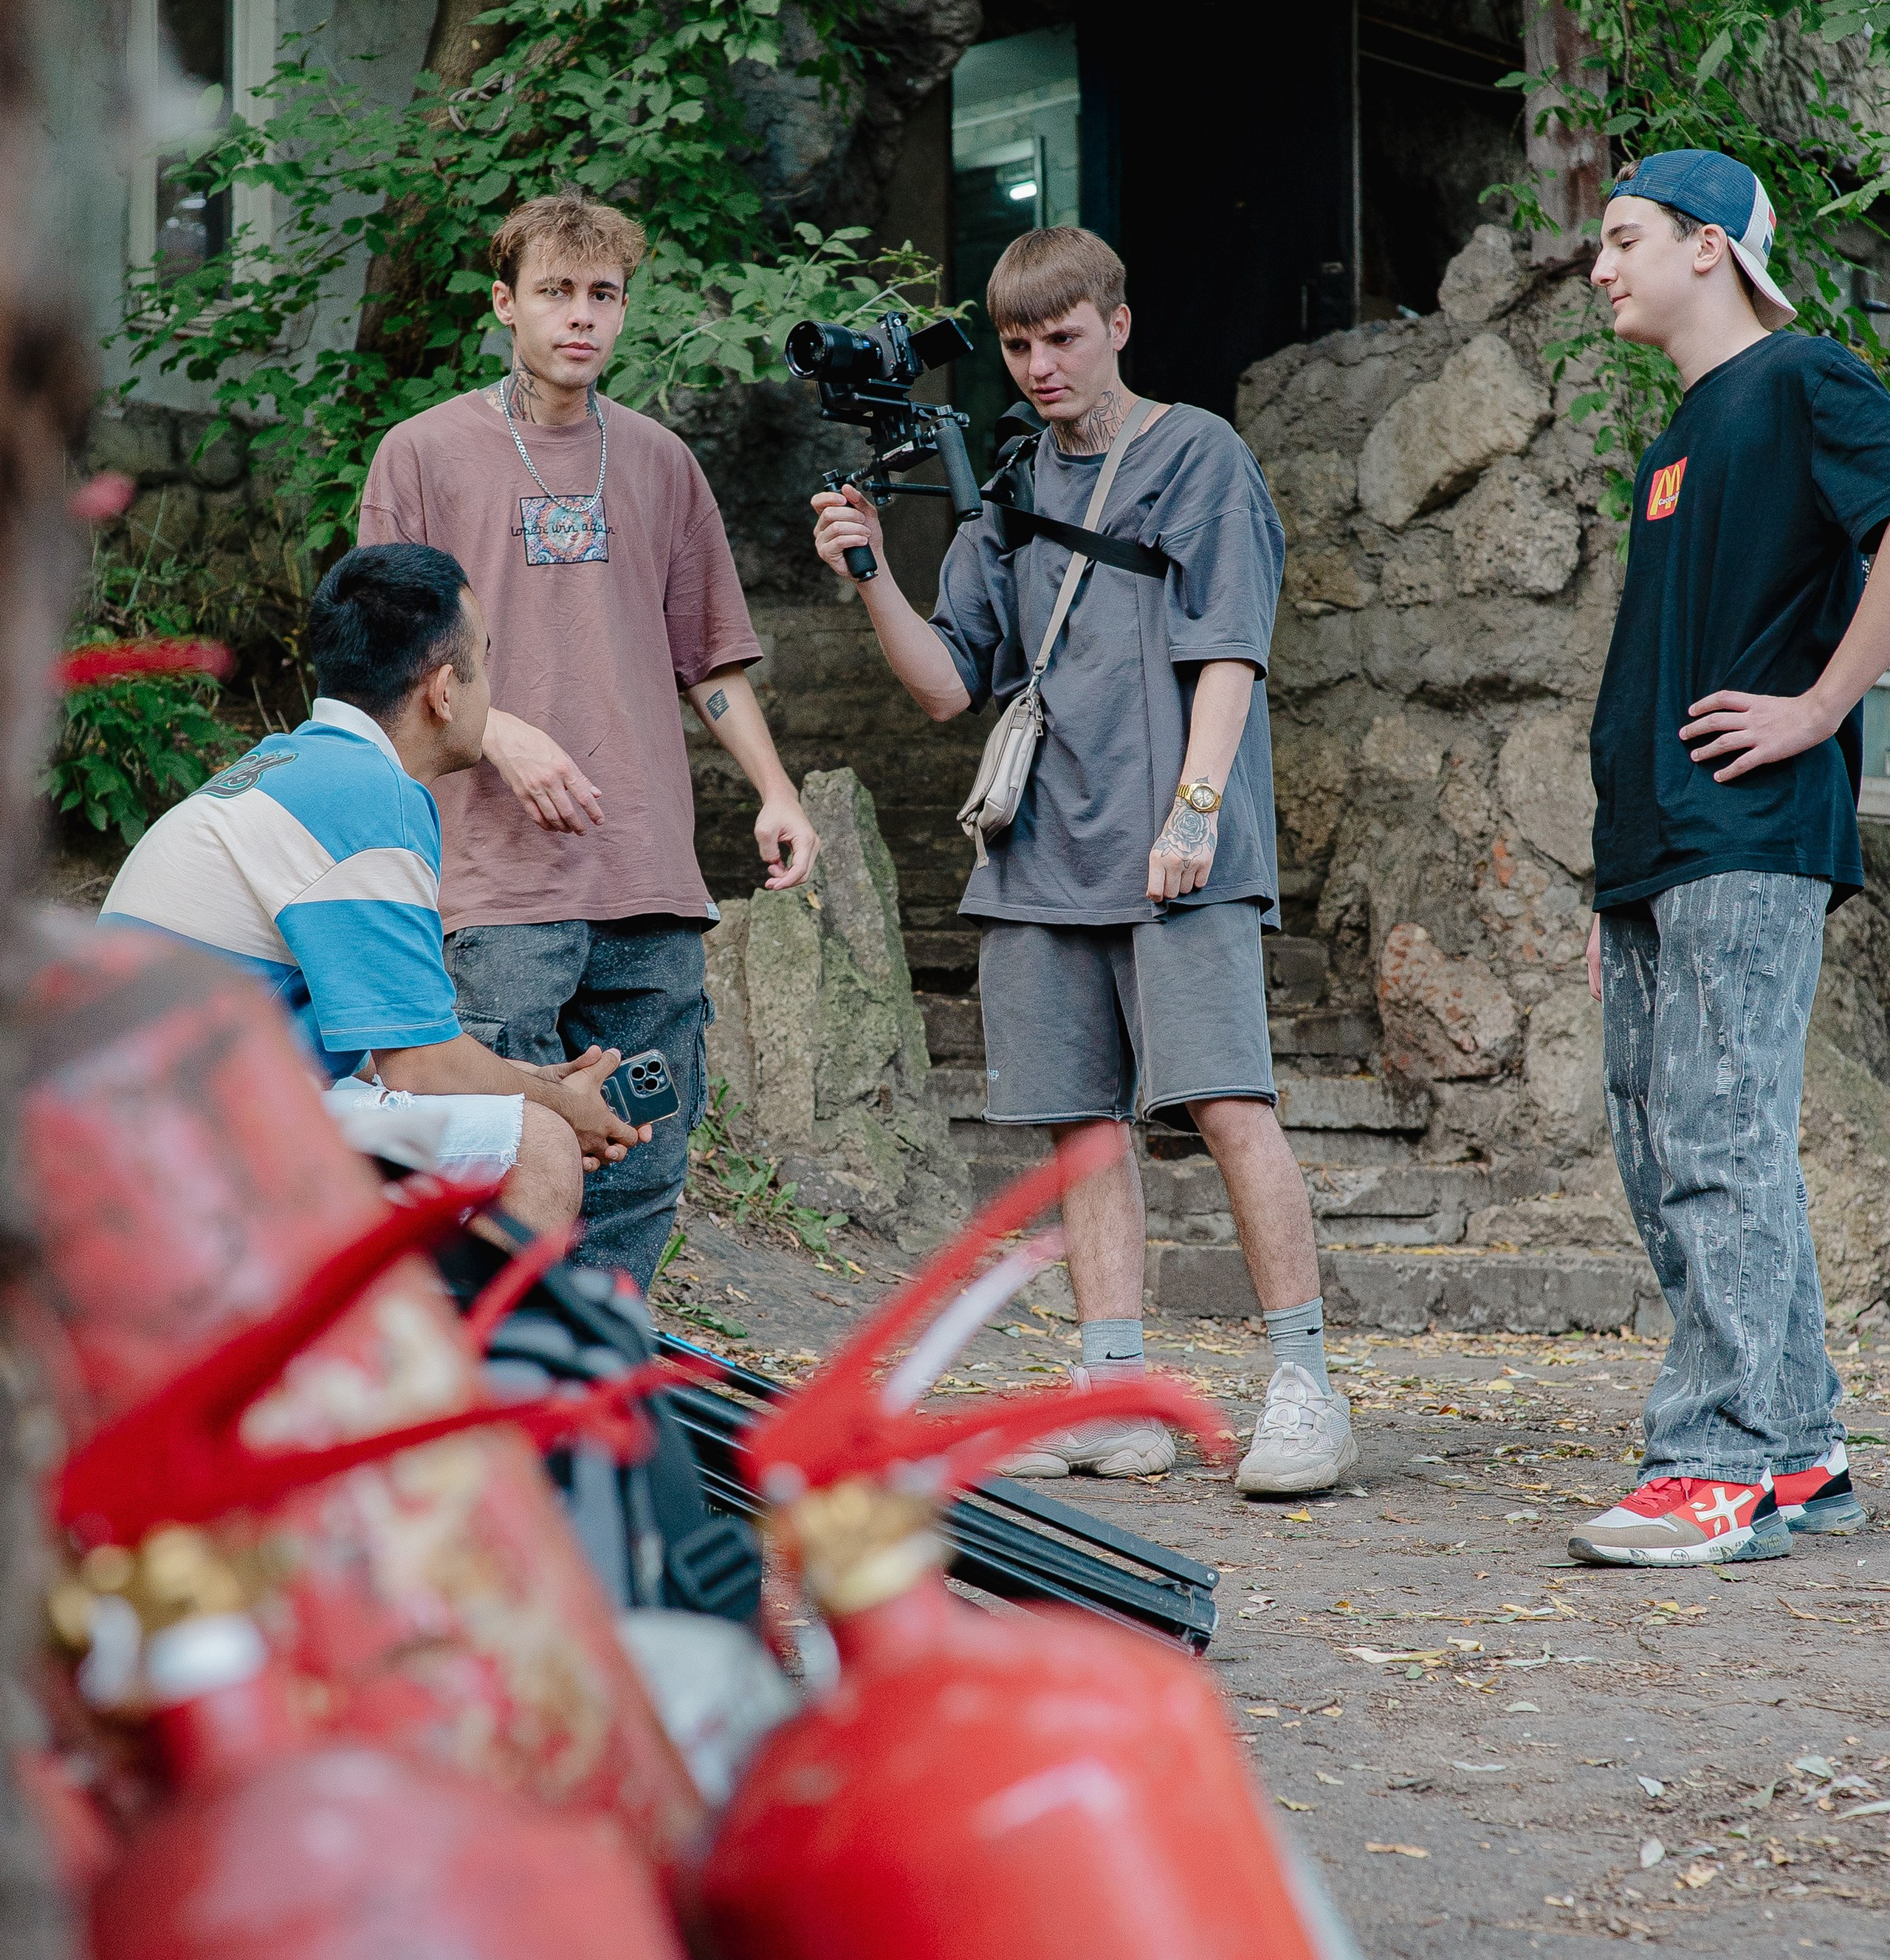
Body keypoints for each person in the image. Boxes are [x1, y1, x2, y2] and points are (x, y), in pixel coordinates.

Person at [811, 225, 1354, 1496]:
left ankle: (1304, 1386)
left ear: (1118, 323)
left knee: (1227, 1105)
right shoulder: (1007, 480)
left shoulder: (1201, 455)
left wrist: (1196, 809)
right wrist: (869, 575)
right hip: (1042, 846)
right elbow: (951, 685)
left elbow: (1232, 649)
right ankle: (1114, 1399)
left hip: (1176, 841)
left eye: (1064, 335)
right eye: (1018, 343)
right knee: (1080, 1136)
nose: (1043, 363)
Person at [357, 190, 819, 1292]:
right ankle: (487, 1397)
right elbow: (381, 648)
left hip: (647, 873)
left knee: (643, 1158)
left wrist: (775, 792)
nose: (582, 318)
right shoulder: (423, 454)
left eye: (603, 295)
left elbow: (709, 659)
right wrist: (497, 727)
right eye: (557, 293)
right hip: (495, 880)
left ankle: (596, 1397)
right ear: (505, 306)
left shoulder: (661, 462)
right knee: (502, 1153)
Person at [1570, 147, 1890, 1569]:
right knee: (1668, 1141)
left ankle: (1723, 1459)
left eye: (1626, 236)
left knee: (1718, 1130)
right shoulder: (1682, 436)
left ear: (1710, 247)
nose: (1600, 265)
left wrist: (1825, 707)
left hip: (1751, 835)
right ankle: (1805, 1445)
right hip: (1657, 850)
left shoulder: (1810, 379)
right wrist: (1612, 876)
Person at [97, 542, 650, 1237]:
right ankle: (450, 1347)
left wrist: (541, 1083)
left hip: (137, 1103)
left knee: (513, 1116)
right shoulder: (373, 798)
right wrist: (564, 1110)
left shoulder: (294, 763)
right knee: (537, 1146)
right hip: (178, 1125)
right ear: (445, 691)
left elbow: (385, 1063)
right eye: (485, 663)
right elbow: (419, 1068)